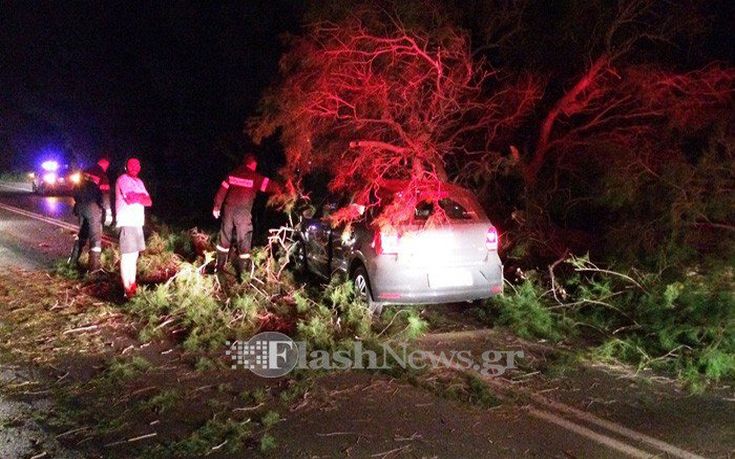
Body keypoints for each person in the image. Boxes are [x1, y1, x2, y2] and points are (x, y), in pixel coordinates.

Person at [212, 153, 278, 278]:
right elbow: (270, 186)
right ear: (252, 164)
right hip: (243, 212)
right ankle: (243, 274)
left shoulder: (232, 174)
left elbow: (222, 190)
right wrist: (284, 187)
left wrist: (216, 207)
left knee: (225, 237)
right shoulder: (254, 177)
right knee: (244, 238)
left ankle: (219, 268)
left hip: (228, 210)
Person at [115, 157, 152, 299]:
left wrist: (139, 196)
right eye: (131, 165)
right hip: (127, 221)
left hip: (137, 223)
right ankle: (127, 290)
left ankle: (132, 285)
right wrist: (140, 196)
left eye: (137, 165)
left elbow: (149, 201)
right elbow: (130, 199)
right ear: (126, 167)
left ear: (140, 167)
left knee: (134, 256)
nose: (134, 167)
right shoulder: (123, 179)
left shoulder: (140, 182)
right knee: (127, 256)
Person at [68, 157, 112, 272]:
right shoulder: (102, 176)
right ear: (105, 165)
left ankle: (72, 262)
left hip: (80, 206)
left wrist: (78, 202)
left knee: (82, 233)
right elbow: (105, 196)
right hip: (92, 208)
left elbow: (74, 189)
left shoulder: (84, 172)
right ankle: (94, 268)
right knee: (95, 237)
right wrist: (108, 212)